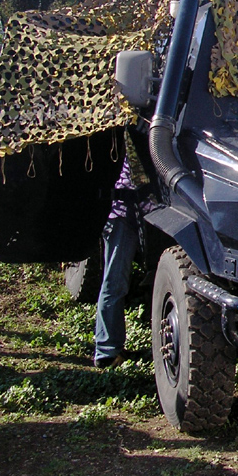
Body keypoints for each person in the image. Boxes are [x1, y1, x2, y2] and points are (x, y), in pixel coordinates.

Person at [93, 155, 142, 368]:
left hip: (138, 214)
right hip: (123, 216)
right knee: (115, 282)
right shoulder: (143, 134)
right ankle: (107, 352)